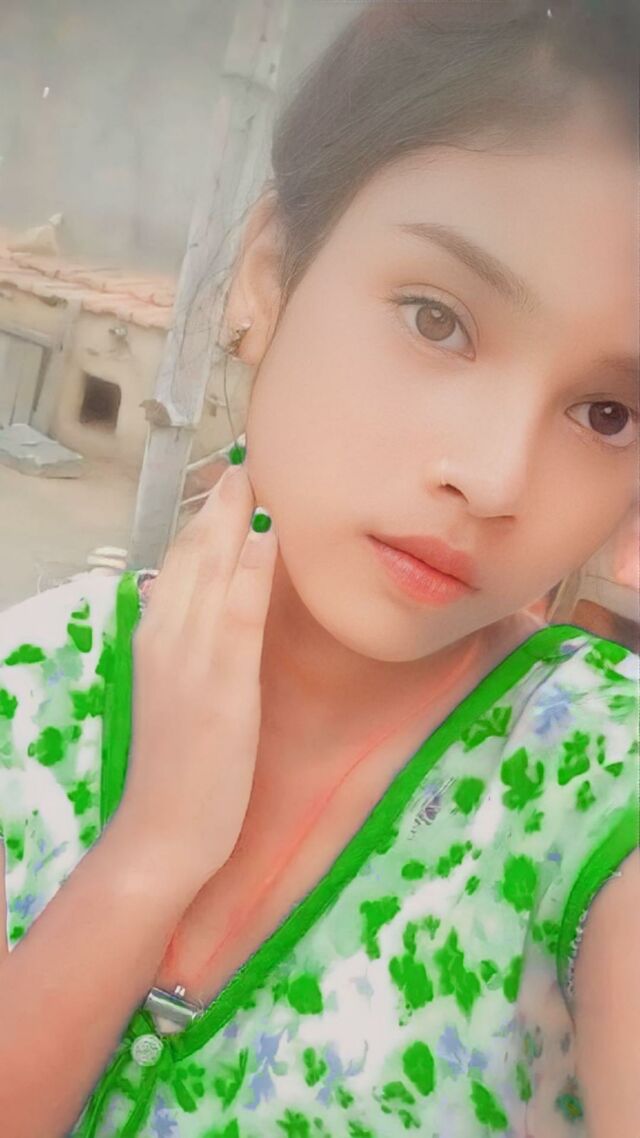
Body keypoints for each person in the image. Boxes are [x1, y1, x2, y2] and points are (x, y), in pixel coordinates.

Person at [0, 1, 638, 1135]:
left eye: (606, 413)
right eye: (437, 320)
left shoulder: (597, 786)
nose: (496, 479)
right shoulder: (34, 681)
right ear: (269, 272)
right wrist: (149, 856)